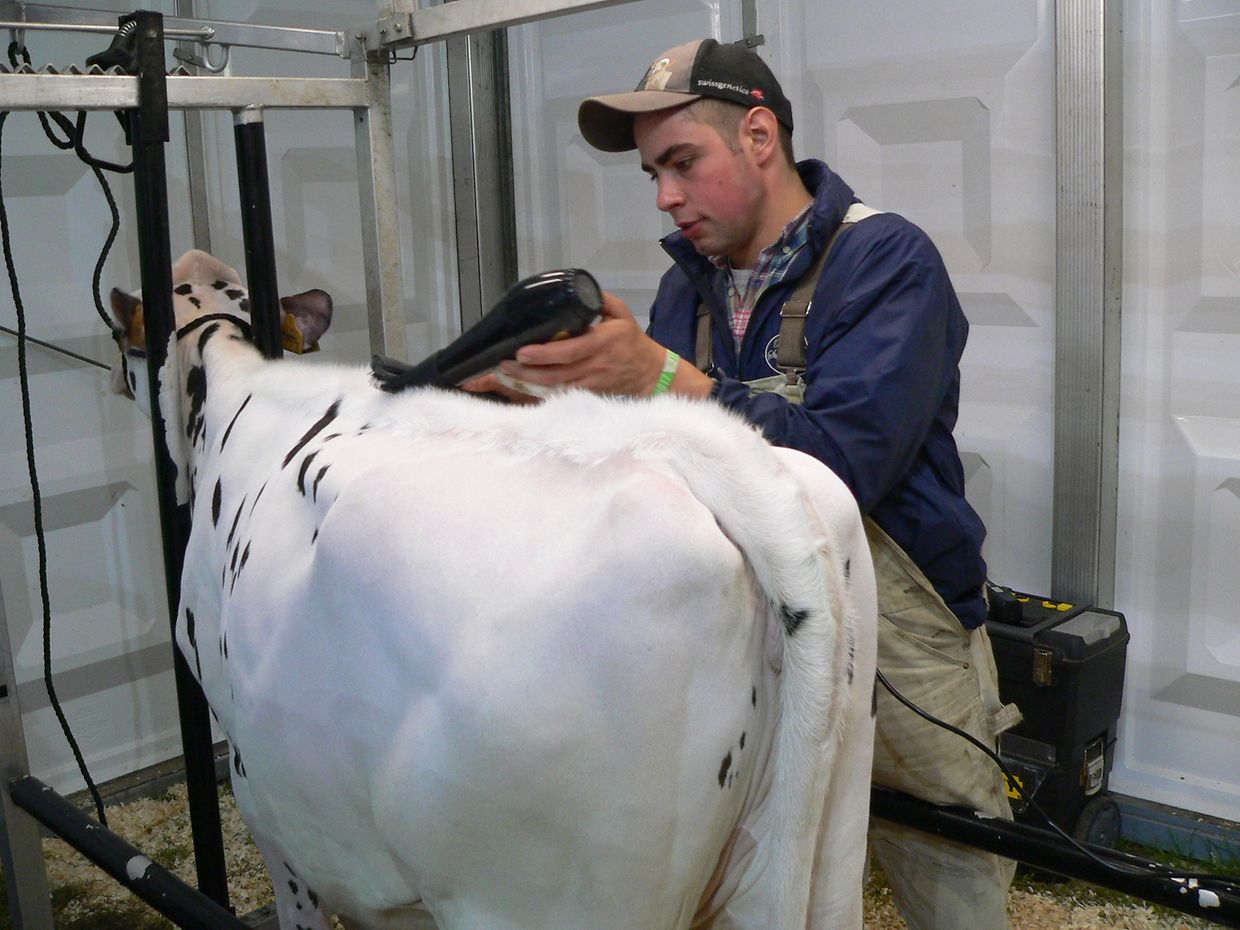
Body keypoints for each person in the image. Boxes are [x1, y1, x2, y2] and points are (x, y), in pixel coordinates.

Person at [465, 37, 1021, 930]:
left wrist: (655, 378)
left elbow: (845, 462)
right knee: (764, 866)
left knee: (952, 872)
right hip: (749, 632)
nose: (665, 197)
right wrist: (543, 394)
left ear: (759, 135)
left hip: (903, 640)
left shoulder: (886, 263)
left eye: (682, 163)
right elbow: (655, 454)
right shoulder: (688, 292)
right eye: (653, 174)